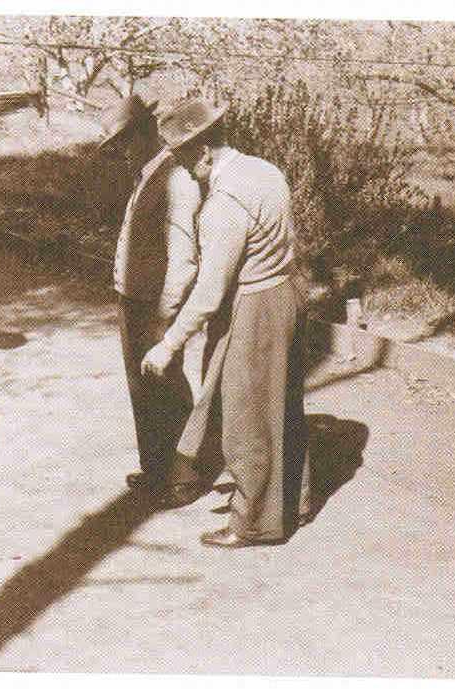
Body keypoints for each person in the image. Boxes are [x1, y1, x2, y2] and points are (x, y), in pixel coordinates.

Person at [141, 98, 310, 546]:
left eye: (181, 158)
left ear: (203, 152)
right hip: (285, 292)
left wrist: (168, 344)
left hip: (254, 305)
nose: (180, 168)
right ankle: (295, 499)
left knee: (247, 414)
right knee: (283, 404)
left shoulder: (223, 204)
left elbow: (210, 292)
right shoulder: (264, 170)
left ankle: (254, 522)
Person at [97, 94, 202, 496]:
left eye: (123, 143)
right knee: (142, 389)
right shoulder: (145, 175)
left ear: (144, 134)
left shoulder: (175, 179)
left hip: (156, 304)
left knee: (167, 387)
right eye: (114, 147)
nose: (120, 153)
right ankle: (155, 468)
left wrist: (168, 313)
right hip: (132, 299)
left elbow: (183, 257)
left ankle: (184, 475)